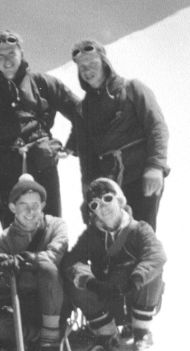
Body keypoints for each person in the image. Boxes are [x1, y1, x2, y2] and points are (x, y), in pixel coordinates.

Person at [0, 31, 80, 228]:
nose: (6, 60)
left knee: (50, 230)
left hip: (43, 167)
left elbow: (80, 111)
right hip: (7, 177)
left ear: (21, 53)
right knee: (14, 237)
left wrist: (70, 146)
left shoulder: (42, 83)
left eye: (11, 53)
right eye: (0, 56)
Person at [71, 39, 169, 230]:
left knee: (141, 234)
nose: (87, 70)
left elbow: (157, 127)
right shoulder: (83, 110)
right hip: (109, 185)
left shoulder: (133, 88)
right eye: (82, 67)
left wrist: (155, 166)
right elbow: (87, 157)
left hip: (142, 174)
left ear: (104, 63)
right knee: (113, 240)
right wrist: (88, 194)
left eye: (92, 63)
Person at [62, 178, 166, 351]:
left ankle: (141, 330)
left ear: (119, 200)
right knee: (75, 280)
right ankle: (106, 333)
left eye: (107, 199)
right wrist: (92, 283)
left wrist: (134, 281)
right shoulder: (90, 236)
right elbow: (70, 262)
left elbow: (156, 255)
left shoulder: (140, 229)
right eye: (95, 205)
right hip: (108, 295)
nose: (103, 206)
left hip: (134, 293)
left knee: (153, 270)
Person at [0, 175, 69, 351]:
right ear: (13, 207)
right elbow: (0, 287)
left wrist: (27, 259)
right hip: (25, 304)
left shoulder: (56, 226)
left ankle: (49, 347)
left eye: (35, 205)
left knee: (47, 269)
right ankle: (40, 336)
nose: (30, 211)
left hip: (55, 297)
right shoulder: (5, 239)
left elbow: (54, 255)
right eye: (23, 205)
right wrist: (5, 272)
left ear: (43, 205)